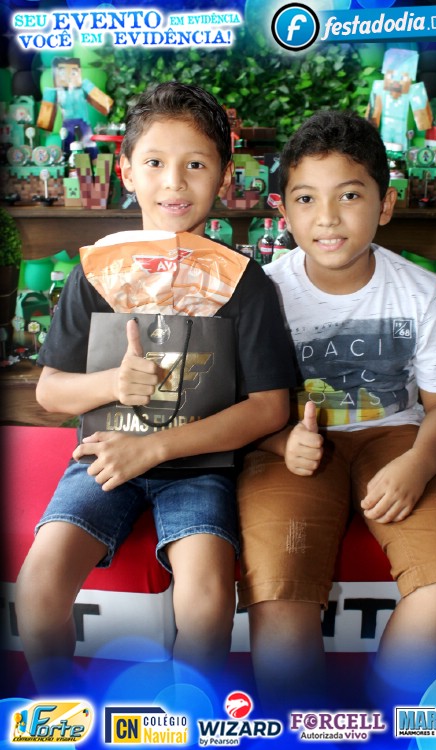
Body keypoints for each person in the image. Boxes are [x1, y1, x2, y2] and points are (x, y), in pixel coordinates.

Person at [15, 82, 295, 691]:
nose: (174, 182)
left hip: (199, 466)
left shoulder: (245, 282)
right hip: (104, 455)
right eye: (155, 163)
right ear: (126, 172)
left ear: (224, 177)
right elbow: (50, 392)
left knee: (208, 601)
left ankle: (187, 720)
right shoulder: (94, 272)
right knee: (37, 589)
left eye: (196, 164)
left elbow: (271, 407)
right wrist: (112, 382)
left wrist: (157, 448)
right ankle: (61, 710)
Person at [236, 110, 436, 710]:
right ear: (283, 210)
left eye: (349, 195)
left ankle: (379, 714)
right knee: (278, 597)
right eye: (306, 198)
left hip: (398, 439)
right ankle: (301, 730)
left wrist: (418, 464)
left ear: (385, 204)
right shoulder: (262, 293)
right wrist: (277, 442)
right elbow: (237, 405)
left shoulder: (419, 290)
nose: (327, 217)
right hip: (290, 447)